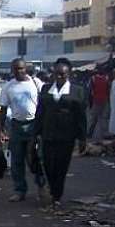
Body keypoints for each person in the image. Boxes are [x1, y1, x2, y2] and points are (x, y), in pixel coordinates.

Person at [34, 58, 87, 207]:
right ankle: (52, 188)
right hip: (48, 134)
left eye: (62, 74)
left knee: (61, 167)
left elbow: (81, 117)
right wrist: (35, 134)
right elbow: (40, 113)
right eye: (56, 74)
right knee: (49, 166)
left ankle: (56, 195)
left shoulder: (77, 91)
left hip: (66, 137)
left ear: (68, 74)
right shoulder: (46, 89)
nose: (59, 77)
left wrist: (82, 138)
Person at [0, 58, 45, 202]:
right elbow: (3, 109)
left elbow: (43, 105)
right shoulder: (8, 87)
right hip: (17, 126)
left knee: (35, 159)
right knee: (17, 160)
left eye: (21, 69)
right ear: (12, 70)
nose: (19, 72)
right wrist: (1, 129)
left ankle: (41, 187)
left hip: (33, 125)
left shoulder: (36, 84)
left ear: (26, 69)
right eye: (15, 69)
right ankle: (19, 190)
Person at [88, 69, 111, 140]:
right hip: (104, 100)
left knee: (93, 119)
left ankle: (89, 133)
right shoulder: (106, 78)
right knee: (103, 118)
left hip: (96, 100)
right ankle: (104, 134)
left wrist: (90, 103)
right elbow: (108, 90)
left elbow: (90, 91)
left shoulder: (93, 78)